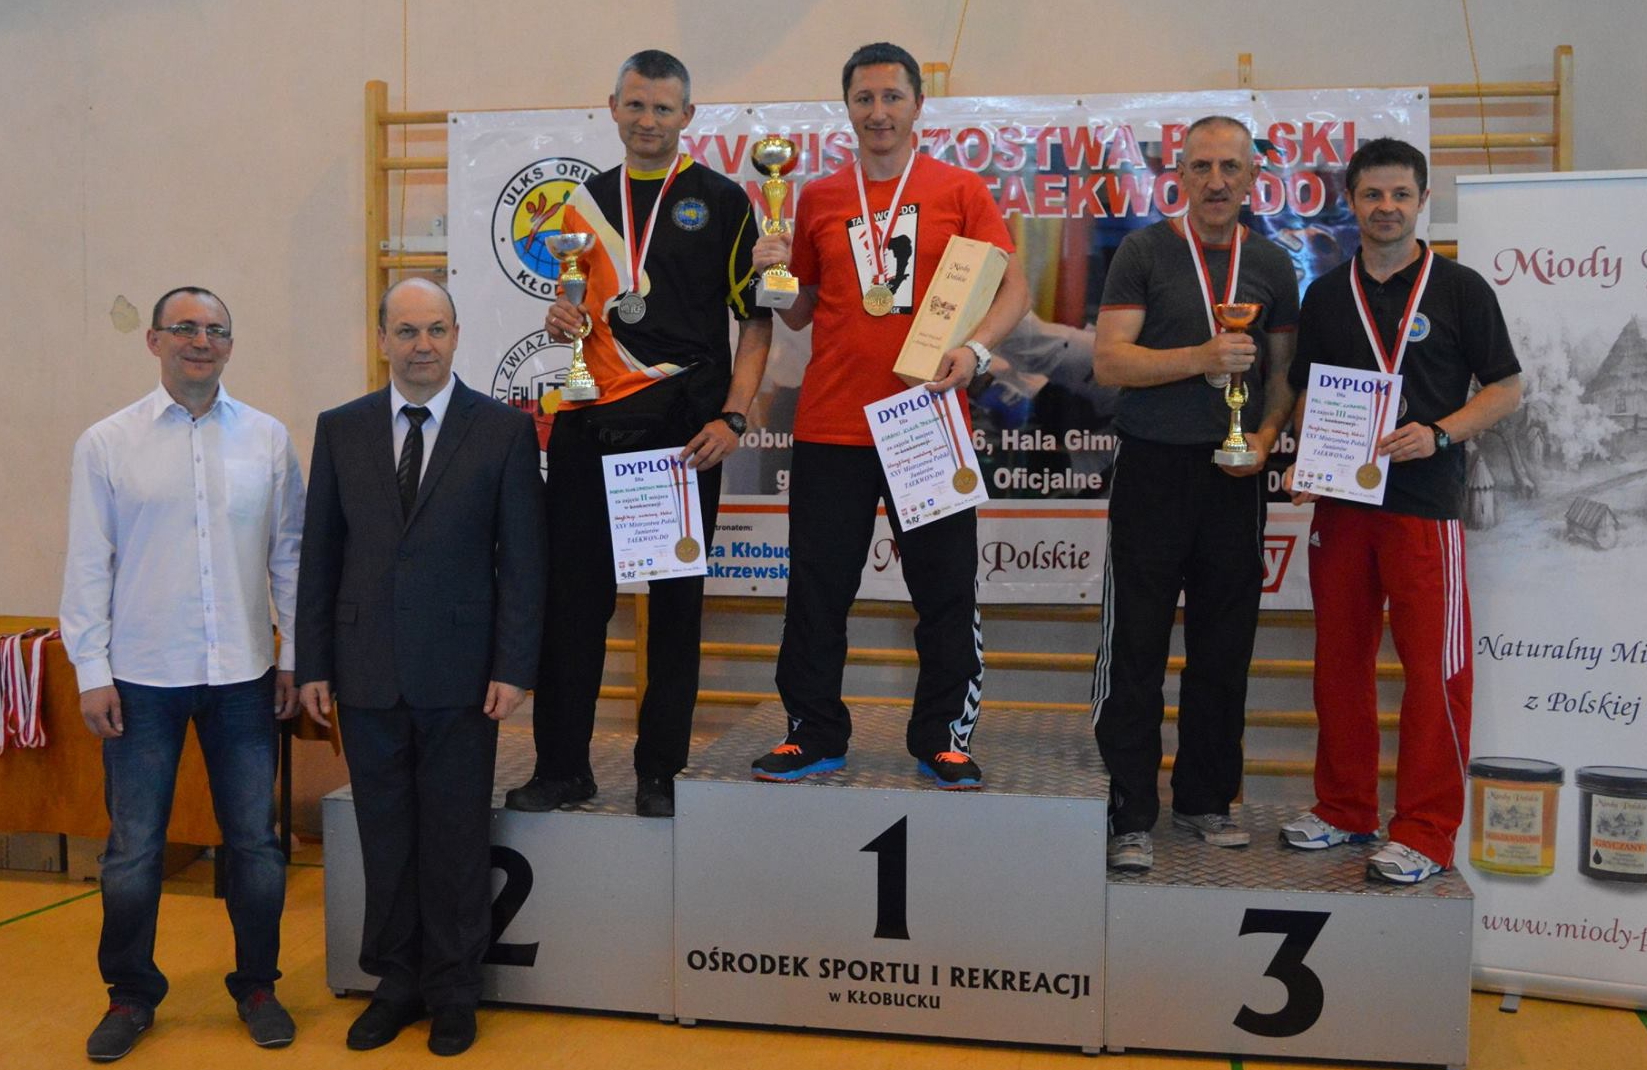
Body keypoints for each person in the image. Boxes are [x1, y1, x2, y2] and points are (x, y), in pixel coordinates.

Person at [746, 41, 1029, 788]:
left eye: (891, 97)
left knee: (944, 587)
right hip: (831, 423)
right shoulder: (816, 197)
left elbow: (1013, 290)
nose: (878, 112)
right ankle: (813, 733)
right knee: (816, 590)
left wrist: (974, 351)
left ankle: (943, 737)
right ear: (847, 108)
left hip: (925, 419)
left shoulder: (959, 189)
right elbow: (800, 312)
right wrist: (772, 272)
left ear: (917, 105)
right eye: (864, 98)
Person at [502, 49, 771, 820]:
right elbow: (579, 307)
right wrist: (562, 317)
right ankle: (563, 768)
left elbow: (756, 323)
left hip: (683, 434)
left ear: (687, 115)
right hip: (588, 422)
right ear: (612, 107)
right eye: (635, 104)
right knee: (572, 605)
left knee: (675, 610)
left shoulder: (722, 201)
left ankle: (660, 771)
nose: (647, 120)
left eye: (662, 107)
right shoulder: (582, 204)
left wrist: (733, 415)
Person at [296, 277, 546, 1055]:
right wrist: (312, 662)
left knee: (455, 837)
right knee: (386, 837)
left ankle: (453, 990)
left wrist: (513, 665)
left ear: (456, 335)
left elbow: (524, 562)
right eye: (406, 331)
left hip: (463, 674)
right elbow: (320, 555)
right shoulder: (340, 430)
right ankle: (395, 982)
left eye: (436, 329)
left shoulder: (501, 430)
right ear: (382, 341)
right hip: (365, 668)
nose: (422, 345)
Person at [60, 286, 304, 1060]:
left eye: (217, 330)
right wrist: (90, 669)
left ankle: (257, 985)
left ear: (231, 344)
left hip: (244, 677)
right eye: (186, 328)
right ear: (155, 341)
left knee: (255, 845)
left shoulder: (267, 439)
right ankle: (130, 995)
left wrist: (294, 656)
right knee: (133, 850)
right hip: (140, 679)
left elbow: (290, 558)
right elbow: (88, 563)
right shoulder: (106, 443)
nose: (202, 341)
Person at [1281, 138, 1521, 884]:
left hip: (1423, 507)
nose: (1386, 207)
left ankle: (1424, 831)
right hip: (1343, 505)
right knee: (1338, 664)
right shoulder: (1326, 294)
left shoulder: (1460, 289)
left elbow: (1505, 388)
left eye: (1400, 194)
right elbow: (1307, 392)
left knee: (1434, 674)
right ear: (1351, 202)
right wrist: (1306, 457)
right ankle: (1344, 808)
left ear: (1422, 202)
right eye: (1371, 194)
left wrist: (1440, 432)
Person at [1089, 116, 1300, 871]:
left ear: (1252, 179)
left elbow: (1283, 376)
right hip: (1151, 470)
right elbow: (1110, 362)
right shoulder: (1144, 252)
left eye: (1230, 168)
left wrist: (1265, 440)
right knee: (1135, 648)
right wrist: (1201, 357)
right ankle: (1127, 813)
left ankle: (1206, 800)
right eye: (1201, 167)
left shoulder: (1271, 263)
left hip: (1234, 477)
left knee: (1224, 647)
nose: (1215, 181)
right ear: (1178, 175)